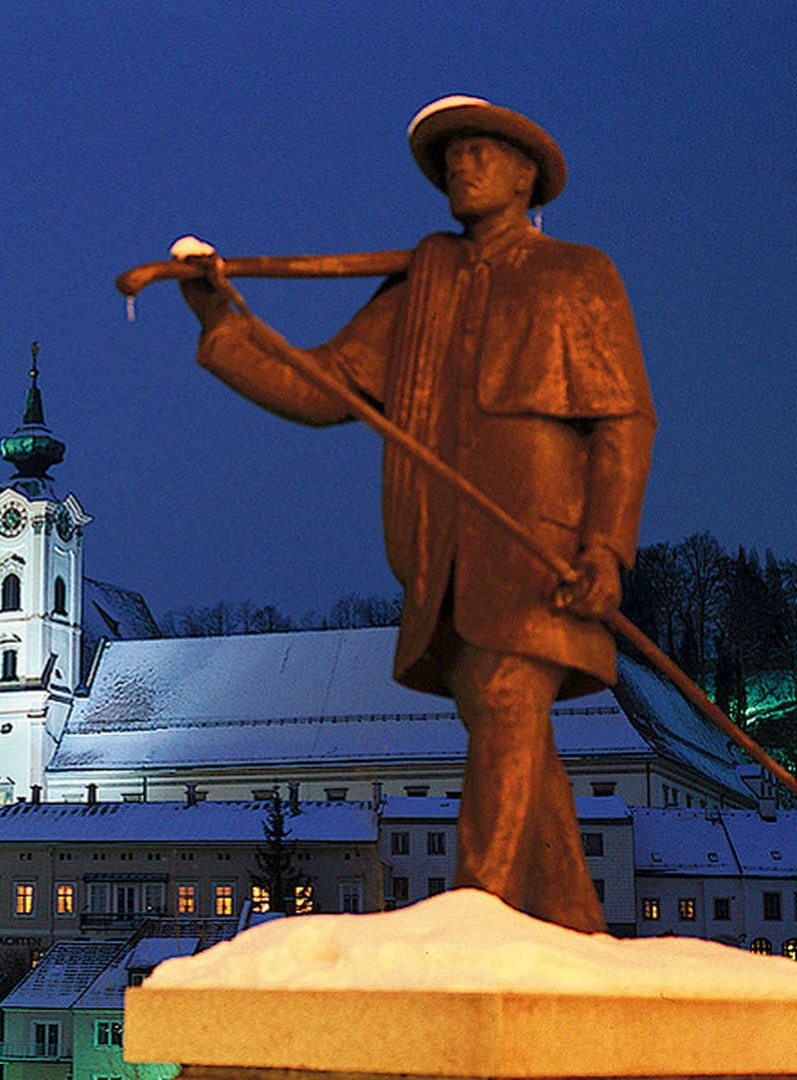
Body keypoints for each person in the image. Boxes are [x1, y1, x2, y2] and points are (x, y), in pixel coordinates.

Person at [180, 96, 656, 933]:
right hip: (445, 553)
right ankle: (572, 921)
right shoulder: (421, 288)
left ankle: (479, 916)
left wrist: (608, 548)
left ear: (525, 174)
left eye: (480, 151)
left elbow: (622, 421)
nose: (462, 166)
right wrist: (221, 318)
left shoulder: (577, 275)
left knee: (509, 700)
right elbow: (319, 387)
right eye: (452, 156)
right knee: (505, 720)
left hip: (538, 545)